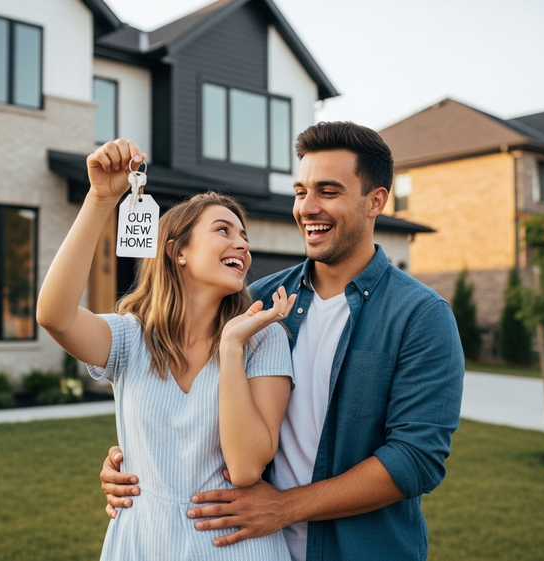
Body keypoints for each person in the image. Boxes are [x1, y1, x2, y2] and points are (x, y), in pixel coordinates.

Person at [99, 122, 465, 560]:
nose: (307, 208)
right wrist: (132, 463)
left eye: (328, 191)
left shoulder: (421, 316)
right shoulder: (252, 304)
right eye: (300, 191)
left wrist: (284, 509)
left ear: (376, 201)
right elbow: (192, 397)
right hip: (251, 548)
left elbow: (415, 459)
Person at [36, 138, 297, 560]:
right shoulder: (130, 338)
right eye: (223, 231)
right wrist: (101, 199)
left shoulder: (263, 339)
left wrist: (231, 346)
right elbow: (54, 315)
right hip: (142, 543)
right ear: (178, 252)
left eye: (244, 237)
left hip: (232, 547)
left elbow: (247, 467)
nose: (243, 245)